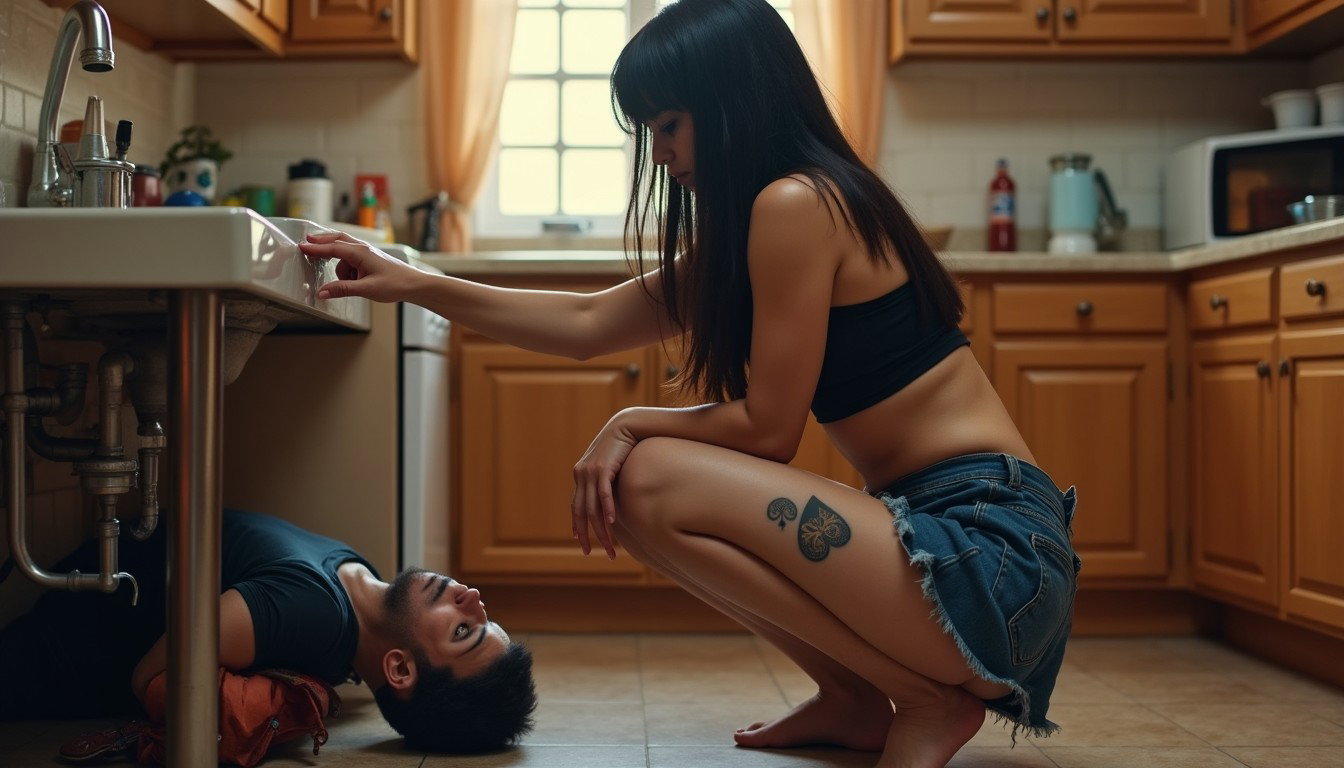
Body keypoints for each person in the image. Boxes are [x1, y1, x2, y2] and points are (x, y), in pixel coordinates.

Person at [300, 1, 1082, 764]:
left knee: (642, 475)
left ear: (736, 102)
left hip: (993, 557)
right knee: (636, 489)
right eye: (649, 130)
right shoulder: (772, 219)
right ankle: (852, 699)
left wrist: (628, 422)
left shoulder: (798, 204)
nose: (659, 153)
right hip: (968, 564)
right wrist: (411, 280)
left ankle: (920, 699)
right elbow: (587, 324)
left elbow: (770, 431)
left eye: (669, 124)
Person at [0, 508, 537, 755]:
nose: (473, 598)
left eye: (463, 630)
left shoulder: (314, 612)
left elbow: (150, 677)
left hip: (59, 655)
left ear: (399, 667)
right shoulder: (356, 592)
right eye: (485, 617)